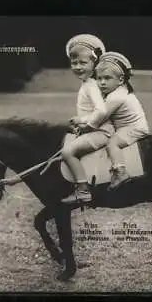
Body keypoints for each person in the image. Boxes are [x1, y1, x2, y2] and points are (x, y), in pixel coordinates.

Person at [59, 34, 115, 204]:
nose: (77, 67)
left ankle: (83, 189)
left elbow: (101, 111)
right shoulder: (88, 83)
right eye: (74, 63)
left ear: (95, 64)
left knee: (67, 152)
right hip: (96, 129)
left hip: (101, 132)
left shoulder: (91, 86)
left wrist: (84, 122)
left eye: (83, 63)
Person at [87, 51, 150, 191]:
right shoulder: (119, 91)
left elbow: (98, 118)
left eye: (107, 78)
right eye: (99, 78)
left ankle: (121, 172)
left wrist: (84, 125)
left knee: (112, 143)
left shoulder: (115, 97)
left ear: (121, 79)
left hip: (133, 128)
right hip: (126, 126)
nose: (102, 83)